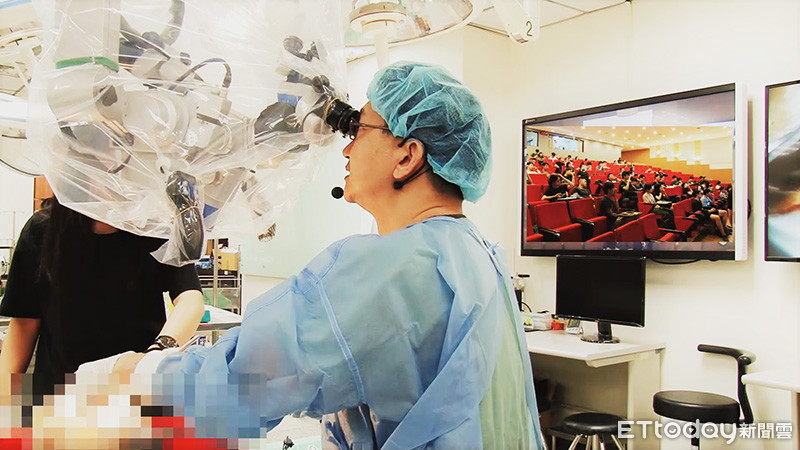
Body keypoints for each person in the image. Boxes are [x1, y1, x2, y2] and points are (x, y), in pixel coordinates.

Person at [106, 61, 545, 447]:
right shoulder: (479, 255)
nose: (347, 148)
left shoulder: (394, 270)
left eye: (360, 130)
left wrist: (139, 373)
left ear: (407, 156)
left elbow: (245, 382)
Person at [0, 196, 204, 394]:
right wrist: (4, 395)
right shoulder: (43, 229)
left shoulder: (155, 228)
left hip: (133, 392)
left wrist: (157, 351)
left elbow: (190, 300)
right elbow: (24, 323)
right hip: (59, 396)